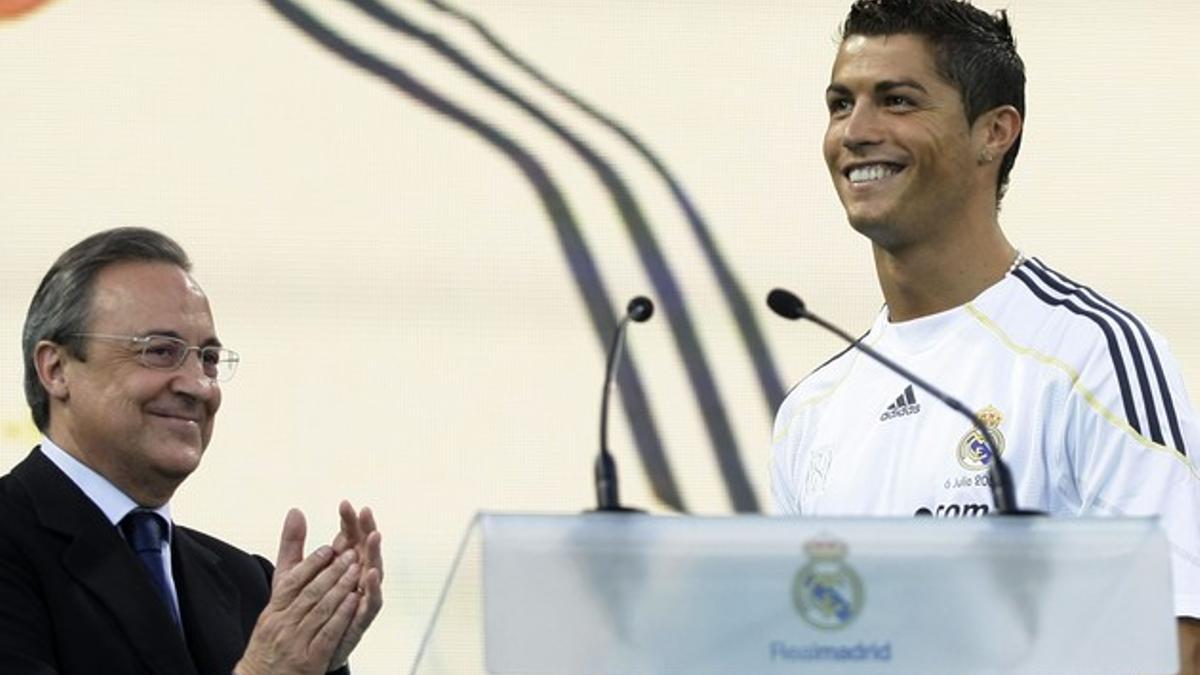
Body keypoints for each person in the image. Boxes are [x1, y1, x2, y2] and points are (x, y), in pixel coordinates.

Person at [770, 0, 1200, 671]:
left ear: (994, 131)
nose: (855, 130)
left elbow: (1170, 640)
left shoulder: (1094, 354)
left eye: (897, 100)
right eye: (839, 103)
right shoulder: (812, 410)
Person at [0, 227, 384, 674]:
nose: (199, 385)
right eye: (160, 351)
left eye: (208, 359)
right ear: (56, 369)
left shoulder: (249, 585)